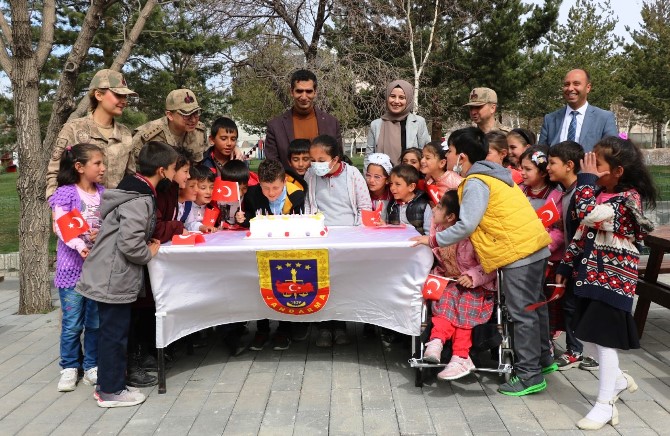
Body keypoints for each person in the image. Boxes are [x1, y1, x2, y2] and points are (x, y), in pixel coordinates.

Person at [411, 127, 554, 396]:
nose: (449, 156)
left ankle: (529, 376)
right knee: (535, 308)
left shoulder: (476, 182)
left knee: (522, 312)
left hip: (517, 253)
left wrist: (433, 241)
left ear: (462, 156)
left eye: (450, 152)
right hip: (533, 246)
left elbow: (466, 225)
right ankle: (543, 361)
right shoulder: (495, 176)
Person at [555, 136, 656, 429]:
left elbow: (584, 214)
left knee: (603, 340)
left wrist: (584, 179)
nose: (591, 169)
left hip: (613, 280)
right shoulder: (599, 192)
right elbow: (582, 232)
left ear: (618, 171)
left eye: (596, 165)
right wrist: (567, 262)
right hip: (589, 276)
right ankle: (620, 380)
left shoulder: (628, 199)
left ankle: (604, 405)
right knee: (586, 336)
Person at [76, 141, 178, 408]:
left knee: (114, 332)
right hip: (113, 276)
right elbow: (130, 243)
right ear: (163, 170)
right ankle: (110, 391)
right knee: (114, 334)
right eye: (174, 167)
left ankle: (112, 383)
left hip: (111, 274)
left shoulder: (135, 191)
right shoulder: (140, 199)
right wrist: (150, 252)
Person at [304, 134, 372, 347]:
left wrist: (357, 235)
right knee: (322, 282)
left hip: (348, 239)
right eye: (312, 160)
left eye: (321, 160)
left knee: (342, 283)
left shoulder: (352, 175)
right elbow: (308, 205)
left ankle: (341, 325)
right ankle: (324, 327)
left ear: (336, 159)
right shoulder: (311, 175)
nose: (316, 165)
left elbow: (365, 207)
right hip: (320, 238)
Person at [422, 190, 497, 380]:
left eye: (439, 207)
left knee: (465, 313)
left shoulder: (475, 237)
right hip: (450, 282)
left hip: (476, 286)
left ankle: (461, 356)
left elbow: (492, 264)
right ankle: (436, 342)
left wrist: (473, 276)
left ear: (451, 216)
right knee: (443, 307)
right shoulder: (438, 230)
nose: (434, 209)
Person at [49, 143, 105, 392]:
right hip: (72, 267)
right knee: (72, 322)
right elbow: (61, 226)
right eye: (98, 163)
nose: (103, 168)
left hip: (96, 269)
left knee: (94, 320)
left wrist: (99, 233)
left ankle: (92, 364)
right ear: (80, 167)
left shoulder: (103, 193)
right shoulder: (65, 194)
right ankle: (70, 366)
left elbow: (107, 223)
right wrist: (77, 244)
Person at [237, 159, 305, 351]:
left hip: (287, 251)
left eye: (275, 187)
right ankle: (262, 328)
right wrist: (242, 220)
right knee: (260, 287)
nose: (271, 193)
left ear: (284, 182)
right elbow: (249, 218)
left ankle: (284, 328)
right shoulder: (252, 194)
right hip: (261, 250)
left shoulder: (298, 195)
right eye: (266, 188)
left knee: (286, 288)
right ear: (259, 183)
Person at [546, 141, 599, 371]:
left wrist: (568, 265)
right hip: (571, 259)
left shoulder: (582, 193)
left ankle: (576, 351)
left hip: (582, 261)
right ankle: (577, 349)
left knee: (573, 305)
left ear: (569, 165)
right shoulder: (565, 192)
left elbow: (584, 232)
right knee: (570, 305)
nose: (547, 167)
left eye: (552, 162)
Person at [46, 69, 137, 199]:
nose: (124, 101)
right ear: (98, 95)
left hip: (115, 213)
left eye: (125, 96)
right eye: (118, 95)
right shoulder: (73, 129)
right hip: (80, 211)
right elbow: (55, 173)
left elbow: (130, 176)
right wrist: (58, 206)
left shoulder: (125, 134)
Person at [265, 69, 342, 170]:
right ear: (291, 92)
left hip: (324, 184)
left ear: (315, 92)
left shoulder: (331, 123)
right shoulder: (275, 126)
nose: (304, 96)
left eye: (309, 91)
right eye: (299, 91)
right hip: (290, 183)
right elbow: (273, 164)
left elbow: (338, 158)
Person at [538, 69, 618, 152]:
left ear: (588, 88)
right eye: (566, 84)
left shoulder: (604, 118)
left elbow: (612, 153)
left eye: (576, 84)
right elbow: (541, 152)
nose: (570, 88)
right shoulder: (550, 119)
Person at [131, 89, 211, 165]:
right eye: (187, 115)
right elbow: (132, 167)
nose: (193, 120)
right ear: (170, 115)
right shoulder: (147, 135)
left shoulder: (200, 130)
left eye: (196, 113)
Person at [366, 79, 431, 165]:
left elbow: (425, 154)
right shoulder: (376, 125)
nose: (396, 101)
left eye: (401, 97)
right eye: (392, 96)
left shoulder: (419, 122)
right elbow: (369, 157)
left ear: (408, 99)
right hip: (383, 177)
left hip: (411, 176)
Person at [386, 164, 431, 235]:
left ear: (411, 187)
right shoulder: (392, 205)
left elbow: (429, 234)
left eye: (397, 184)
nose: (392, 188)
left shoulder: (423, 206)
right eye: (391, 184)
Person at [185, 166, 220, 233]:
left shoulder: (213, 206)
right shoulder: (187, 205)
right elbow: (189, 224)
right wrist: (202, 227)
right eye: (203, 188)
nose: (208, 192)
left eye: (211, 187)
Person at [218, 160, 250, 227]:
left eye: (244, 188)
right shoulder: (217, 196)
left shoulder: (248, 198)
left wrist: (243, 219)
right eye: (237, 189)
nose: (240, 194)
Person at [364, 153, 393, 218]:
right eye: (368, 175)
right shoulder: (363, 194)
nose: (371, 180)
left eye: (377, 177)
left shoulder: (392, 196)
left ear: (387, 180)